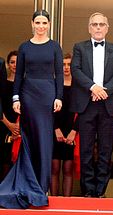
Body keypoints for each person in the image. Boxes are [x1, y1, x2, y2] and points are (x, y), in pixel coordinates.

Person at [0, 10, 63, 209]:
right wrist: (16, 98)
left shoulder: (55, 46)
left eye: (44, 22)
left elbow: (60, 74)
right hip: (28, 94)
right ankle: (28, 183)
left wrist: (59, 96)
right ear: (32, 24)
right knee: (30, 139)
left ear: (49, 24)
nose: (41, 26)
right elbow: (18, 75)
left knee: (44, 139)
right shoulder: (24, 47)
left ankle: (41, 186)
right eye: (38, 22)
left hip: (47, 93)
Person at [69, 12, 113, 198]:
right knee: (85, 149)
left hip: (108, 105)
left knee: (105, 150)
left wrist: (103, 91)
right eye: (95, 24)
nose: (98, 27)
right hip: (87, 103)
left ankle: (100, 191)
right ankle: (88, 191)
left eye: (102, 24)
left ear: (107, 28)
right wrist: (93, 88)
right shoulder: (79, 48)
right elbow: (75, 70)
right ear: (89, 27)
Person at [50, 53, 78, 197]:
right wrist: (56, 129)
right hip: (55, 130)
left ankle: (67, 202)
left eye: (69, 64)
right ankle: (53, 201)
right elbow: (48, 109)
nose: (66, 68)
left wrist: (74, 131)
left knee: (68, 168)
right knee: (54, 167)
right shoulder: (53, 84)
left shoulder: (79, 86)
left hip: (71, 131)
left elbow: (83, 109)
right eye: (63, 65)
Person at [0, 51, 19, 181]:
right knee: (3, 161)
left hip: (21, 129)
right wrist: (9, 125)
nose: (15, 65)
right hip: (3, 126)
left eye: (18, 62)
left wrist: (18, 127)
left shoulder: (25, 84)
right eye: (12, 62)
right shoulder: (2, 84)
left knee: (16, 163)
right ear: (7, 64)